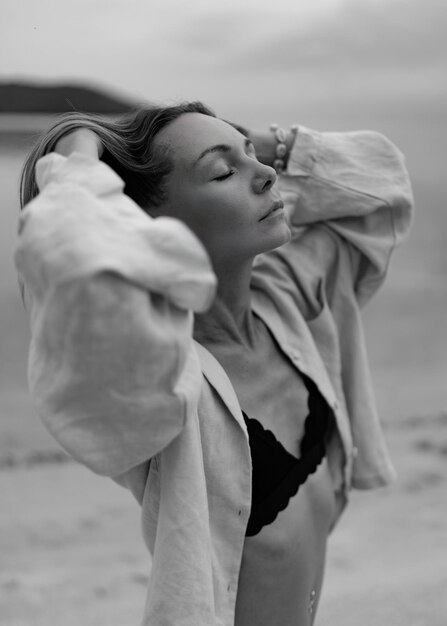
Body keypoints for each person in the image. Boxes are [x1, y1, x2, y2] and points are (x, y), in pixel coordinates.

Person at [15, 101, 413, 626]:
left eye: (254, 158)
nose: (267, 175)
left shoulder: (286, 299)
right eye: (224, 171)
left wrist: (266, 145)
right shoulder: (162, 381)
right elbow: (75, 262)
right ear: (152, 225)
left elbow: (383, 186)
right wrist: (78, 153)